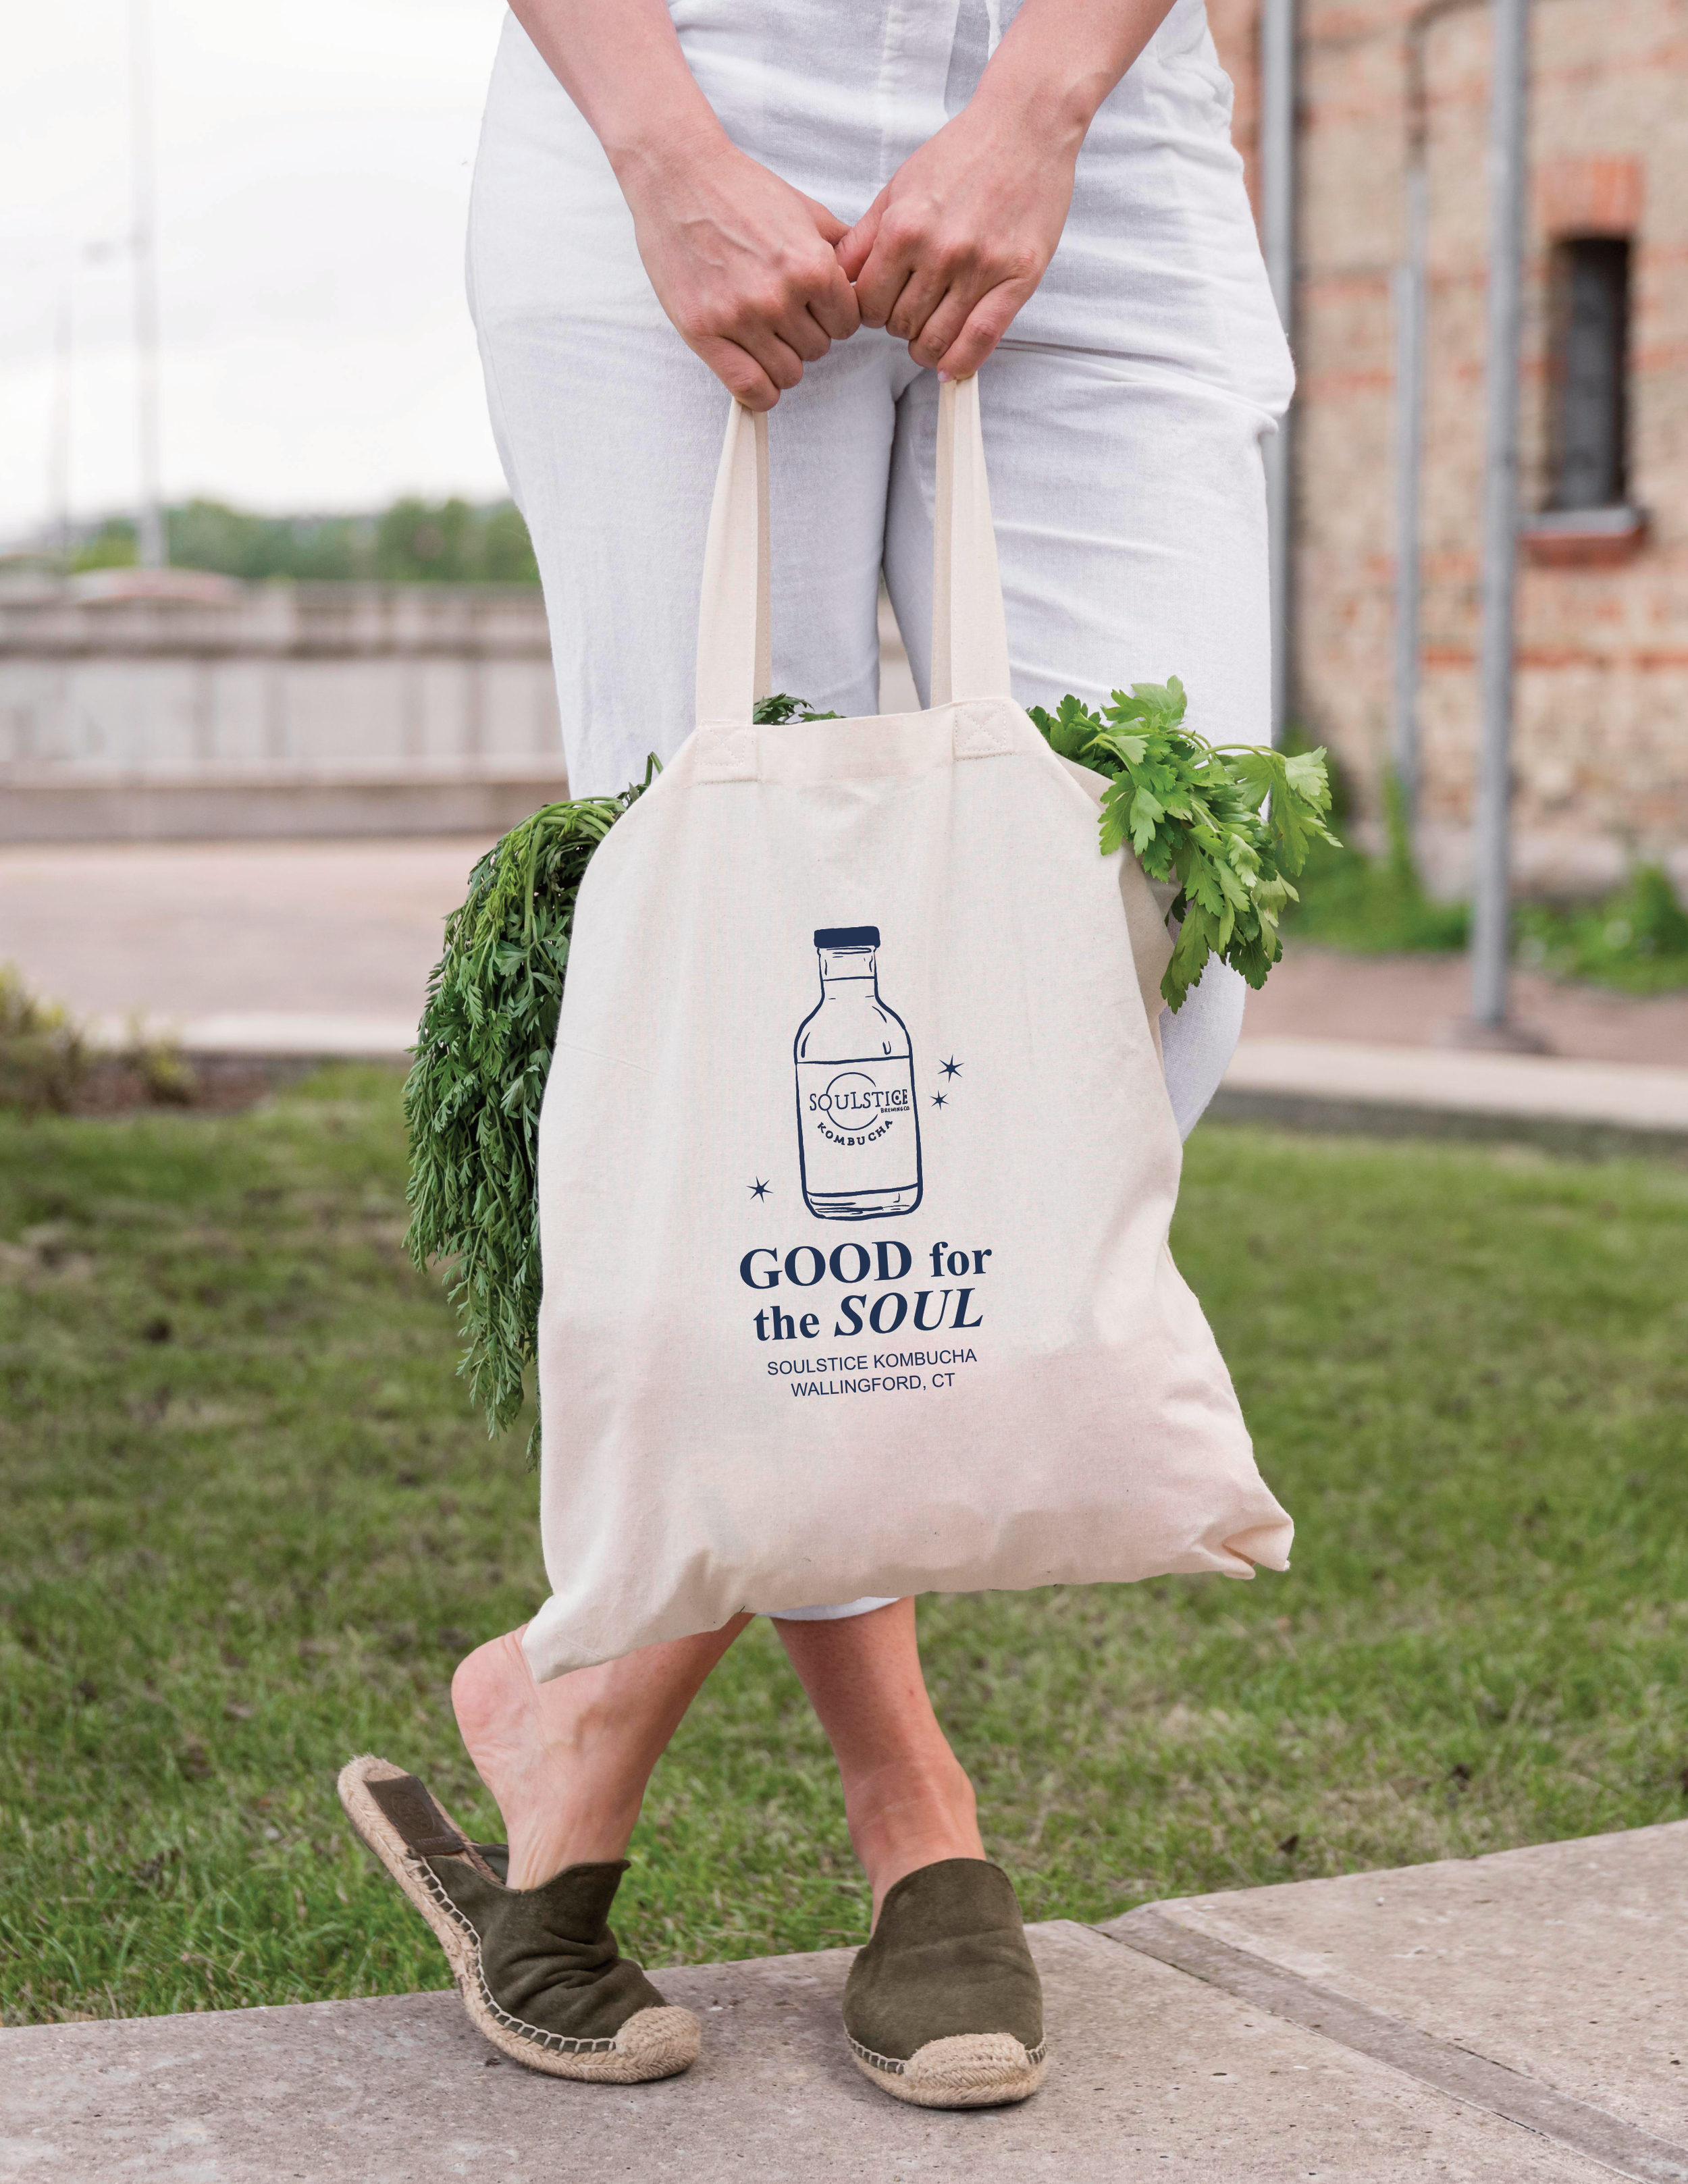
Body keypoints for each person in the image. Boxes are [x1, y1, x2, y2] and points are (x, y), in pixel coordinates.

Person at [338, 0, 1292, 2108]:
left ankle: (567, 1708)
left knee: (1149, 934)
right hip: (675, 88)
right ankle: (907, 1806)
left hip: (1096, 111)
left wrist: (1041, 101)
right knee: (721, 986)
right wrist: (659, 142)